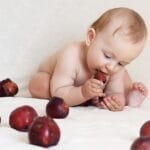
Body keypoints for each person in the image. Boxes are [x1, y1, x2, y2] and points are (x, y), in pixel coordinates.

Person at [28, 7, 148, 111]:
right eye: (107, 56)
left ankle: (130, 98)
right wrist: (82, 93)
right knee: (40, 85)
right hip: (55, 82)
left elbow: (115, 92)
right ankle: (83, 98)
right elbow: (58, 93)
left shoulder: (112, 66)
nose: (111, 67)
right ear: (91, 38)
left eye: (121, 63)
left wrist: (117, 101)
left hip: (88, 89)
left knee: (123, 78)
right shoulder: (71, 55)